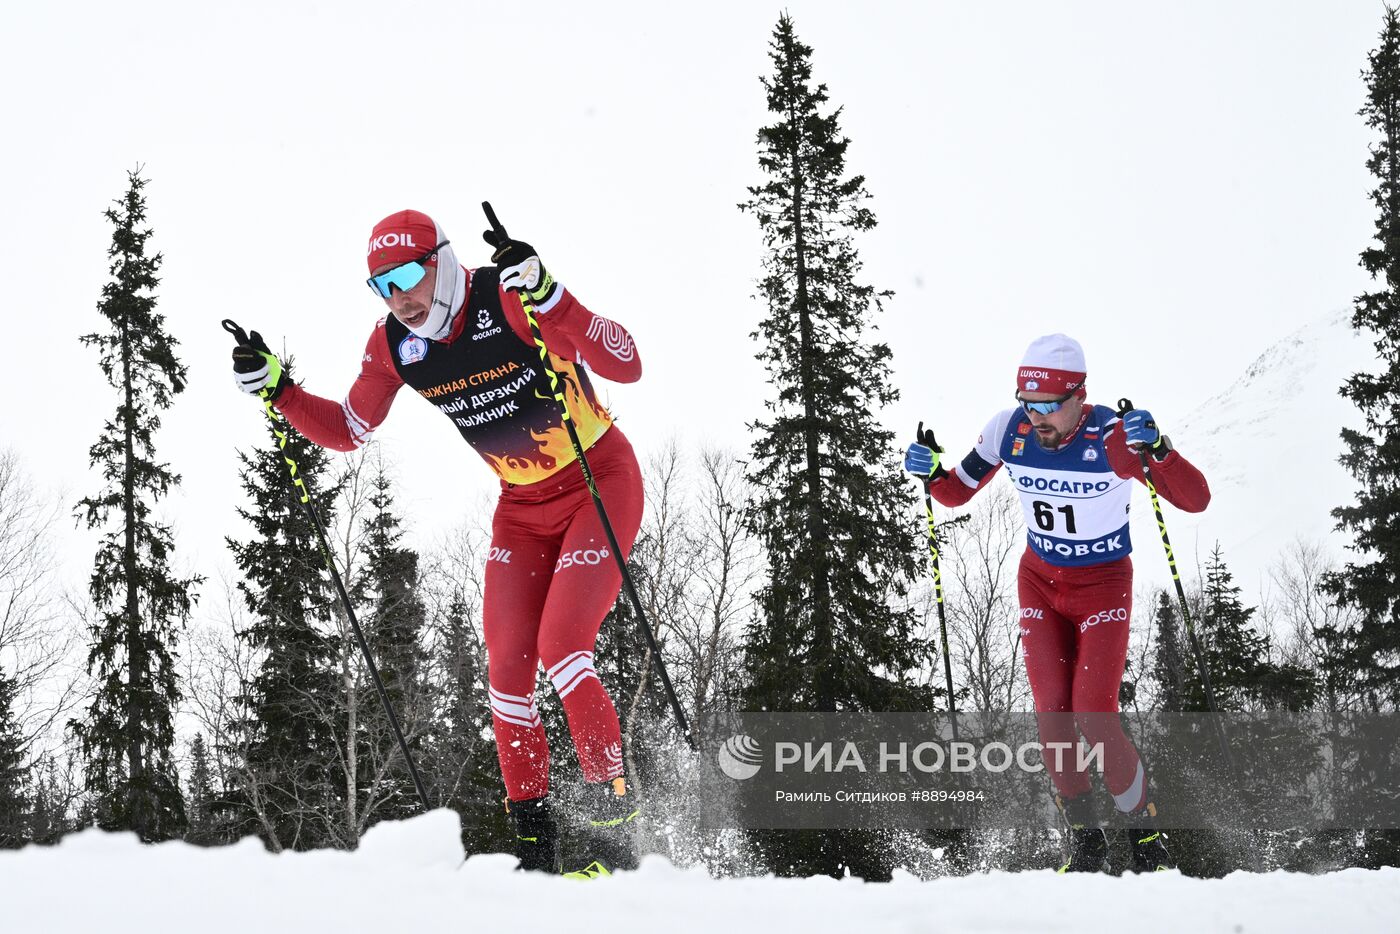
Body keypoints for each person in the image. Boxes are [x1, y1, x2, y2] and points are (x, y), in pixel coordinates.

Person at [230, 209, 644, 878]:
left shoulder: (506, 296)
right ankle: (538, 862)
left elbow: (627, 365)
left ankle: (615, 846)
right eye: (381, 286)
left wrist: (552, 297)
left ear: (442, 261)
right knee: (508, 676)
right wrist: (280, 390)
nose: (399, 298)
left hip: (600, 480)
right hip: (521, 508)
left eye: (405, 276)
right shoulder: (393, 344)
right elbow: (347, 430)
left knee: (563, 647)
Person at [904, 334, 1210, 873]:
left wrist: (1160, 449)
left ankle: (1145, 836)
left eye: (1049, 404)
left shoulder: (1113, 438)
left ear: (1080, 396)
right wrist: (931, 472)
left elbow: (1195, 499)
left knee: (1094, 712)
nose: (1037, 416)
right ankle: (1085, 840)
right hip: (1040, 585)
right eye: (1028, 402)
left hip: (1102, 587)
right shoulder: (1009, 430)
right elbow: (954, 492)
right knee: (1052, 719)